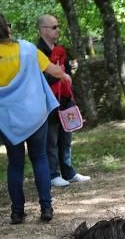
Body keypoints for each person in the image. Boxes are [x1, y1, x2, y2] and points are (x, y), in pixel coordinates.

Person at [0, 13, 64, 225]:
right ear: (5, 28)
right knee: (39, 158)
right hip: (35, 115)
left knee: (15, 164)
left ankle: (17, 212)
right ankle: (46, 207)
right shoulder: (27, 49)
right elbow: (53, 71)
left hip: (8, 120)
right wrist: (65, 74)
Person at [36, 14, 91, 189]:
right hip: (48, 102)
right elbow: (41, 79)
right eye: (54, 27)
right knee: (51, 140)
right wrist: (57, 75)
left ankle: (68, 172)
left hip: (65, 99)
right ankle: (53, 174)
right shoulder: (36, 53)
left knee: (66, 137)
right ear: (43, 29)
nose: (58, 29)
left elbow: (66, 73)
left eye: (58, 26)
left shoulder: (61, 50)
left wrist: (65, 78)